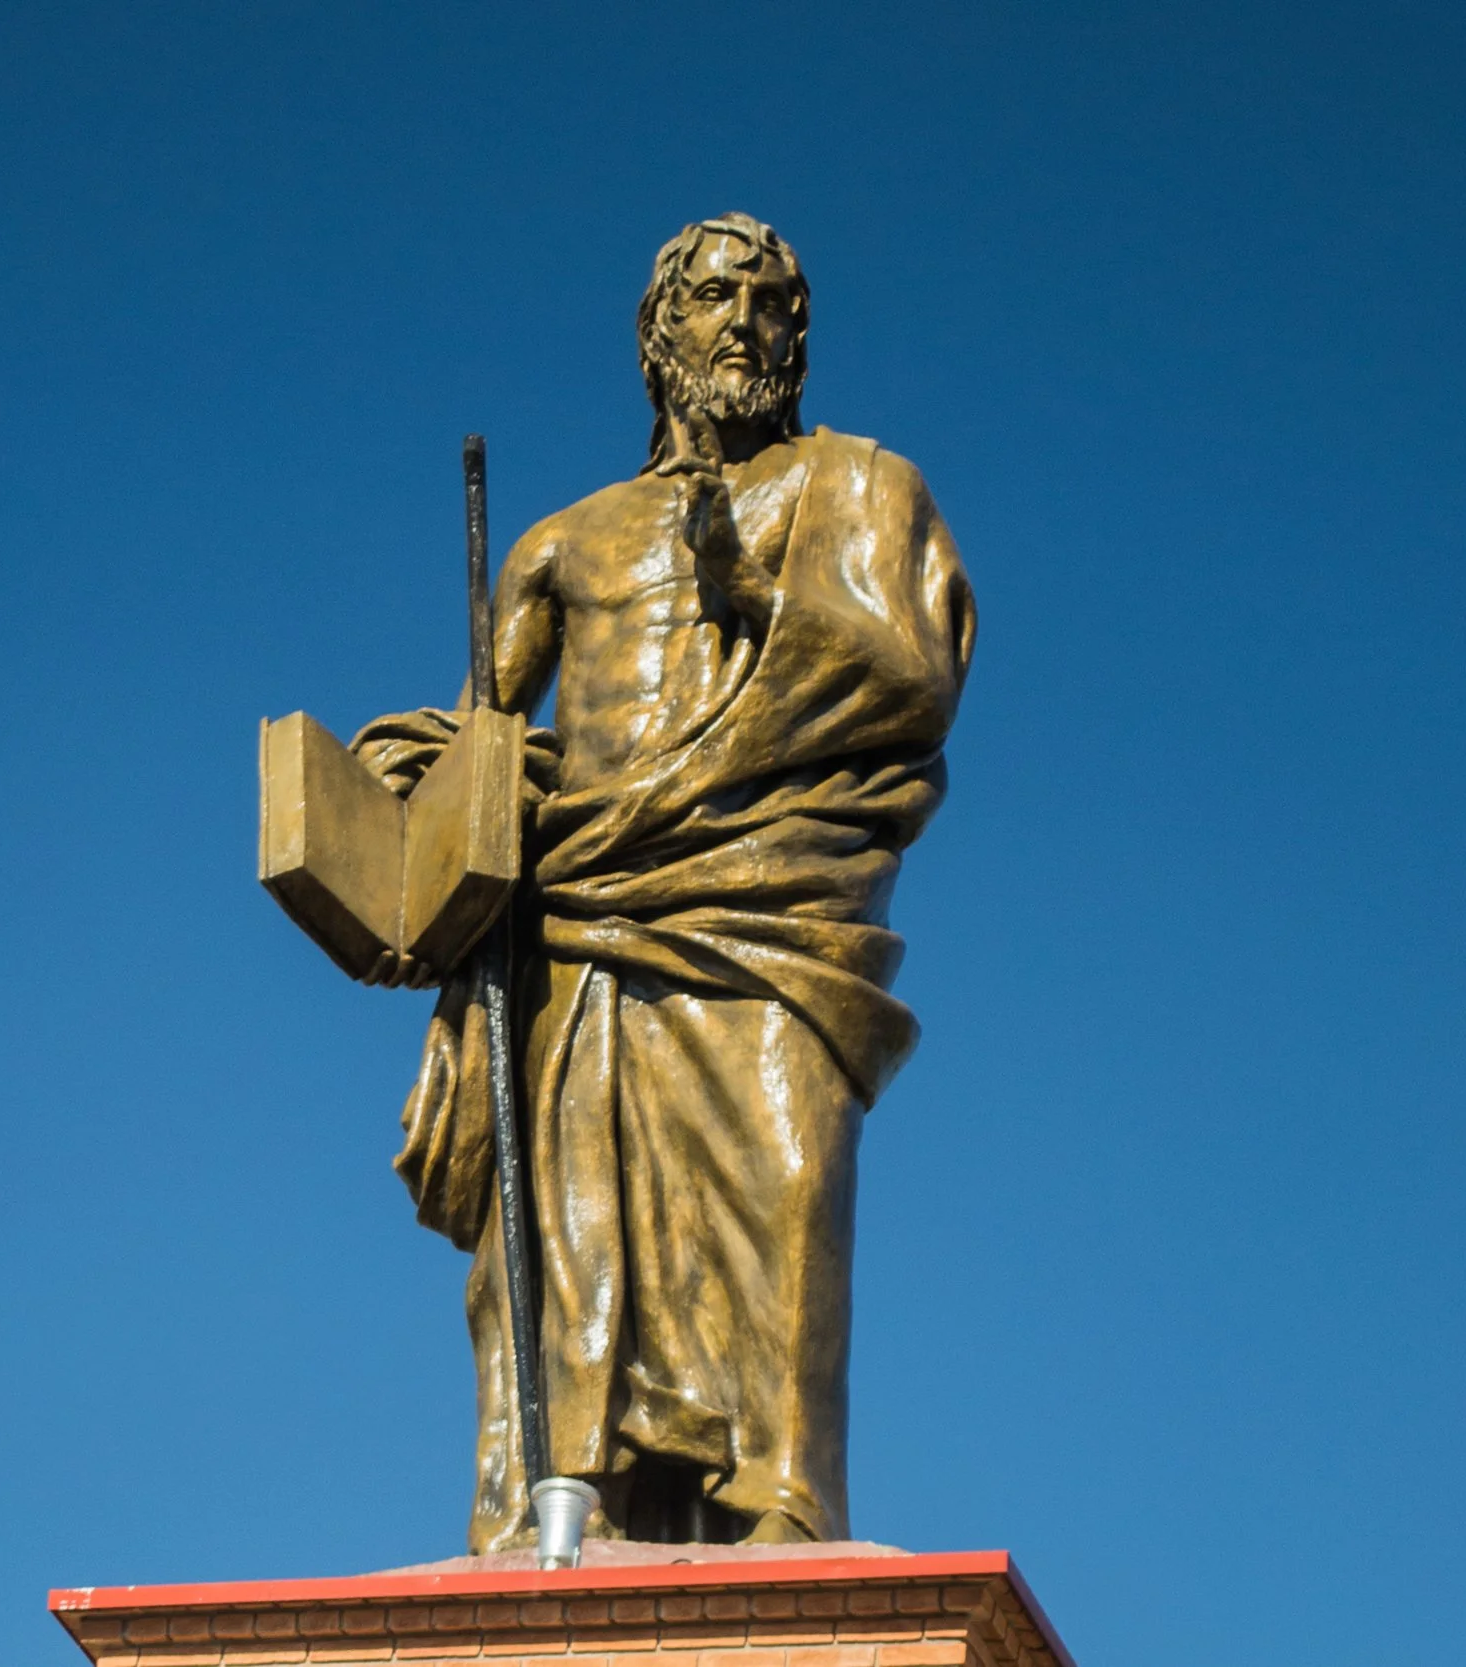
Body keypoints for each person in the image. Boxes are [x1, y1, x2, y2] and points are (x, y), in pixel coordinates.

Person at [355, 214, 975, 1550]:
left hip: (768, 913)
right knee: (576, 1246)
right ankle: (562, 1504)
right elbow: (478, 746)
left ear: (799, 338)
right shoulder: (562, 544)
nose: (744, 322)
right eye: (711, 298)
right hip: (583, 918)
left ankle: (785, 1511)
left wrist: (757, 590)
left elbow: (912, 672)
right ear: (658, 338)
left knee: (784, 1185)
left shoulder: (858, 493)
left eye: (770, 302)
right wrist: (400, 790)